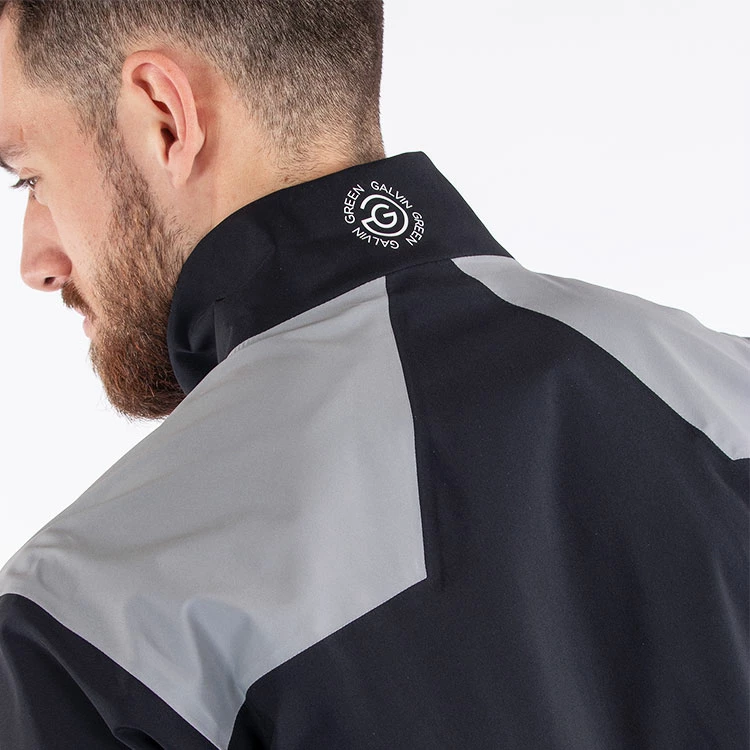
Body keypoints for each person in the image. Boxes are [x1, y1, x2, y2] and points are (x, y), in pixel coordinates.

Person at [0, 0, 747, 747]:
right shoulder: (730, 386)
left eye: (28, 177)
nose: (37, 264)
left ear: (165, 116)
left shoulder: (88, 616)